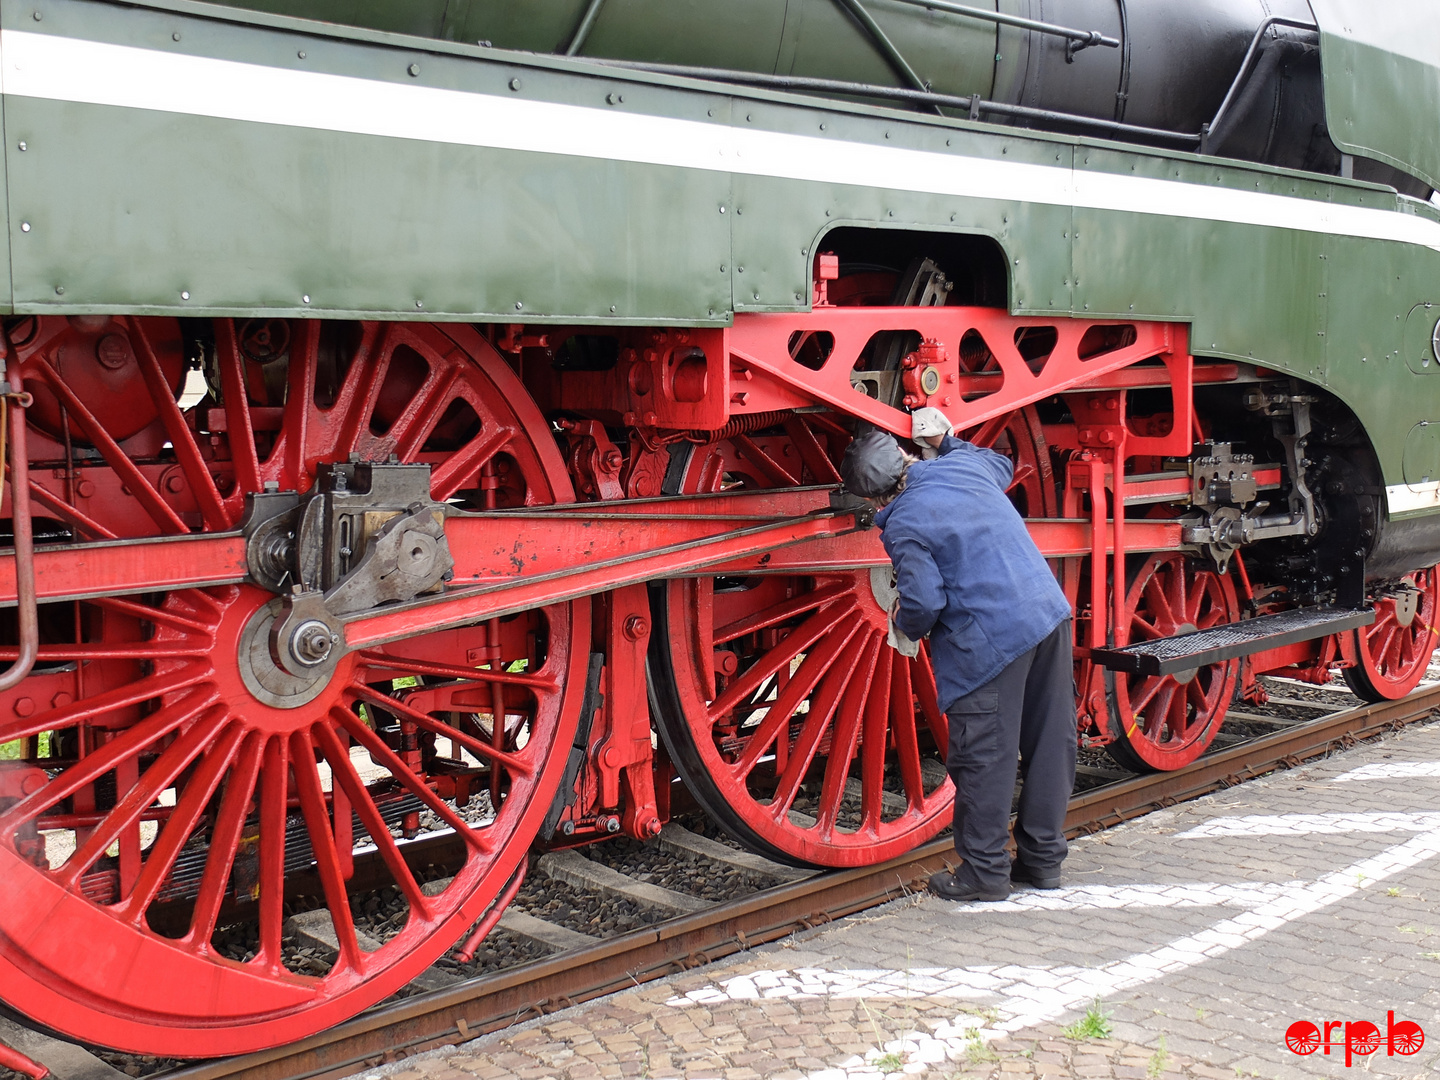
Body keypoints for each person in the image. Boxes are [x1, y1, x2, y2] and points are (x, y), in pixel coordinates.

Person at [840, 411, 1076, 902]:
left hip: (989, 641)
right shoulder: (963, 466)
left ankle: (985, 875)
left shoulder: (903, 521)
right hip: (1047, 615)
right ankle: (1043, 862)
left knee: (983, 757)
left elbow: (924, 602)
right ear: (906, 455)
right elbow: (999, 464)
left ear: (872, 498)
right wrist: (946, 440)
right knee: (1051, 742)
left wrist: (902, 626)